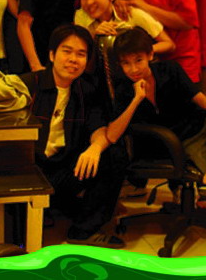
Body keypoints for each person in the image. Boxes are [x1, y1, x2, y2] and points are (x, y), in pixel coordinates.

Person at [107, 28, 206, 230]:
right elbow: (112, 134)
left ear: (150, 55)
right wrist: (136, 99)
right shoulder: (123, 89)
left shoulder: (170, 69)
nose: (133, 69)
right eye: (126, 63)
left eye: (138, 60)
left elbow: (202, 101)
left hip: (201, 124)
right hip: (178, 143)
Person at [19, 24, 126, 248]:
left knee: (113, 153)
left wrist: (95, 148)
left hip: (61, 170)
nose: (73, 60)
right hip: (27, 171)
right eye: (66, 51)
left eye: (81, 54)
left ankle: (83, 231)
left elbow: (98, 128)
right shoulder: (28, 85)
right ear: (52, 55)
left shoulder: (86, 90)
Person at [74, 0, 174, 55]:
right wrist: (95, 37)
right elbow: (79, 52)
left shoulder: (130, 13)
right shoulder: (81, 16)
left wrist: (141, 51)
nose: (89, 2)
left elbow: (169, 44)